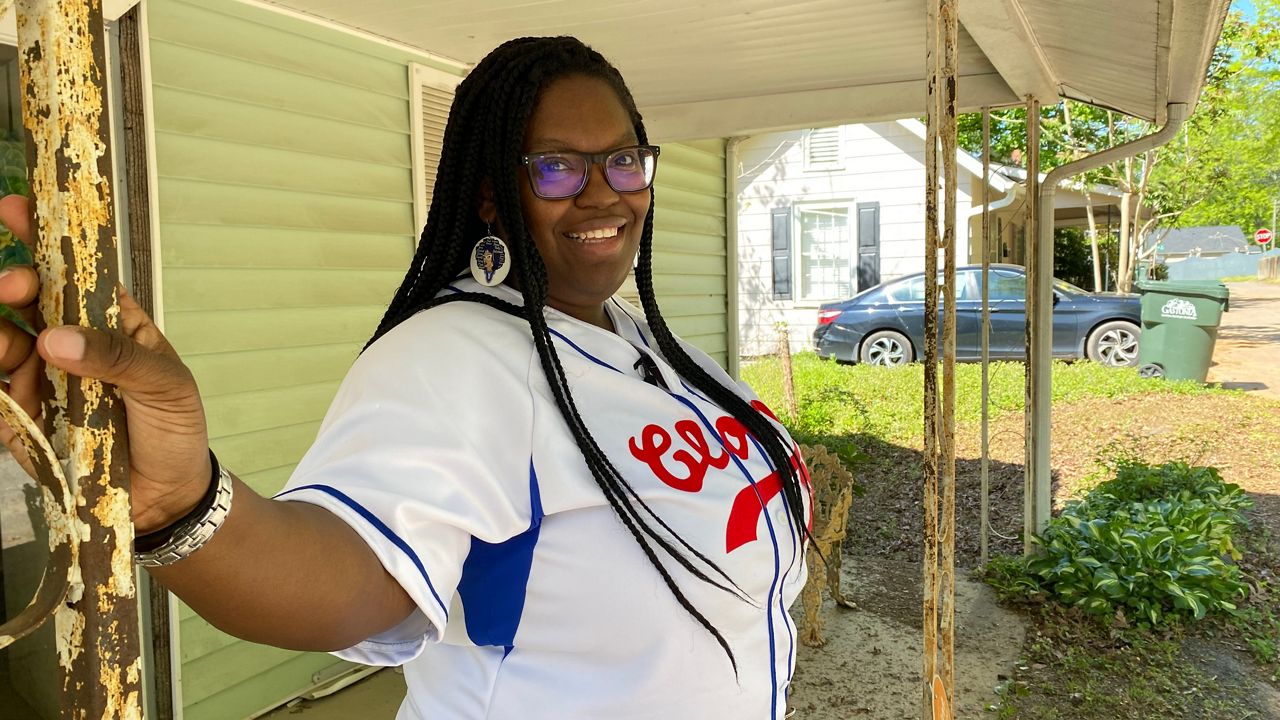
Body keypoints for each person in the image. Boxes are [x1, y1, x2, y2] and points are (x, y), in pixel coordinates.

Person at [0, 36, 810, 719]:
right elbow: (356, 582)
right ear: (493, 196)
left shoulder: (655, 349)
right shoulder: (457, 356)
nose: (604, 193)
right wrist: (178, 505)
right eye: (558, 168)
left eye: (624, 162)